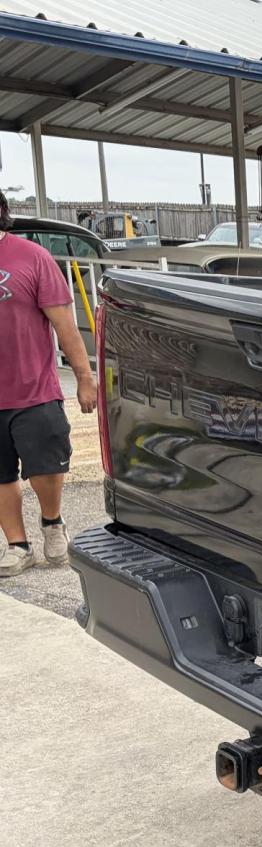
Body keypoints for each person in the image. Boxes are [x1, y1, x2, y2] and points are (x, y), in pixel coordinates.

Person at [0, 192, 97, 577]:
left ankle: (52, 523)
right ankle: (17, 545)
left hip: (33, 390)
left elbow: (65, 326)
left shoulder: (31, 257)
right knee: (1, 475)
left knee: (46, 470)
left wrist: (84, 379)